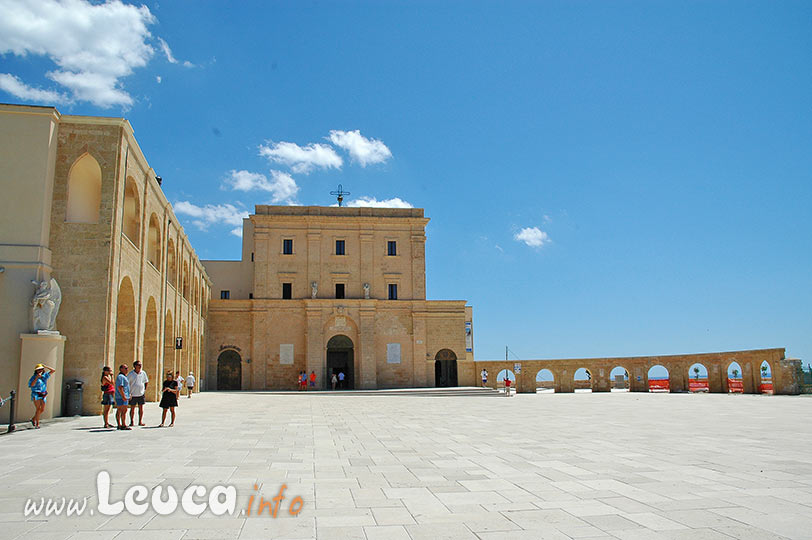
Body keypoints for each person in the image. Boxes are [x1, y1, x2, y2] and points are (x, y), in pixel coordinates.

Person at [28, 363, 56, 428]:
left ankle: (33, 419)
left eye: (41, 370)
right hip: (36, 393)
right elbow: (31, 385)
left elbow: (53, 370)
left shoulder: (44, 376)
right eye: (38, 370)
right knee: (38, 408)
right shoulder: (33, 377)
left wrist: (45, 366)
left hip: (43, 394)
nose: (40, 371)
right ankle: (37, 424)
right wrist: (36, 378)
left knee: (42, 409)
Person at [127, 360, 148, 426]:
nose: (140, 366)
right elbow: (127, 383)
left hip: (141, 393)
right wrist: (129, 393)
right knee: (132, 408)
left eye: (140, 365)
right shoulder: (131, 374)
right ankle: (132, 421)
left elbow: (146, 381)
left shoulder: (143, 373)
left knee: (141, 408)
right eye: (138, 365)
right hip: (133, 394)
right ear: (135, 366)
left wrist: (144, 390)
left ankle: (140, 421)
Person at [115, 364, 131, 430]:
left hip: (125, 396)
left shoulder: (125, 376)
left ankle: (123, 424)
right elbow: (120, 387)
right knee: (120, 410)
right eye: (125, 368)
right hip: (121, 397)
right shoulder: (120, 377)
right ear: (121, 369)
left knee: (124, 410)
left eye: (127, 368)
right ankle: (120, 424)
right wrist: (123, 396)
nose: (127, 369)